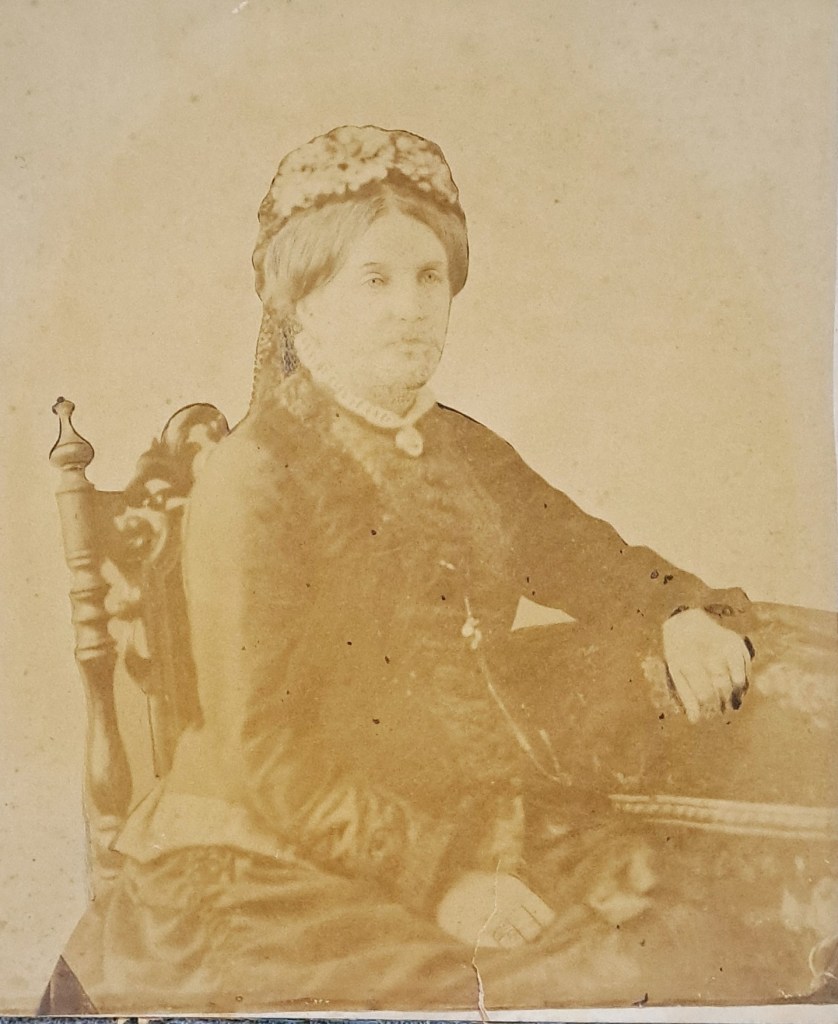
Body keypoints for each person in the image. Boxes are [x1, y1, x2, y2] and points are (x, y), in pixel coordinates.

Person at [54, 126, 834, 1013]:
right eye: (374, 281)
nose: (411, 308)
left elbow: (594, 560)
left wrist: (681, 613)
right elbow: (265, 753)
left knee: (703, 936)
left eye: (430, 277)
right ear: (305, 301)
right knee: (567, 980)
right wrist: (444, 884)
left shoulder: (460, 449)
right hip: (277, 862)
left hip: (461, 820)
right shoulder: (256, 475)